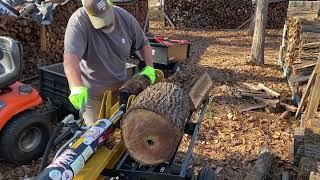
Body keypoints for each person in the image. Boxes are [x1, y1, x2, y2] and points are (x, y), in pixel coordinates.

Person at [63, 0, 155, 125]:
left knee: (123, 130)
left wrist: (150, 67)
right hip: (93, 96)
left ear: (110, 4)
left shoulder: (125, 18)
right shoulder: (79, 21)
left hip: (122, 89)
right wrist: (76, 86)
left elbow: (144, 44)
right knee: (96, 135)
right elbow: (71, 57)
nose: (106, 24)